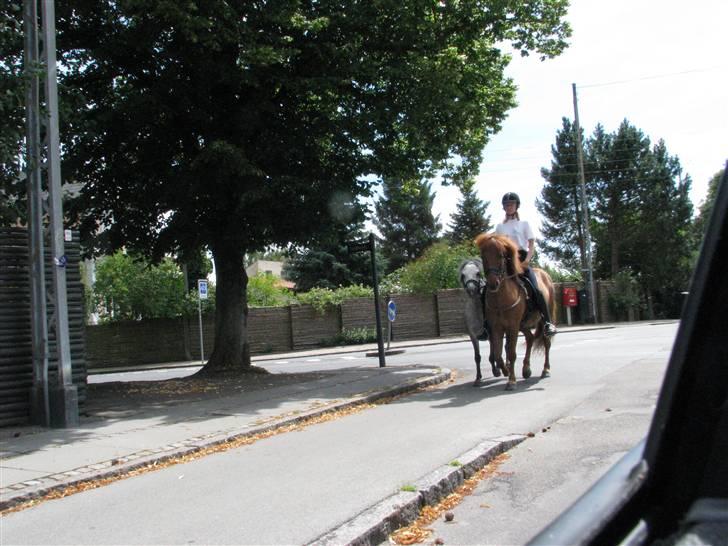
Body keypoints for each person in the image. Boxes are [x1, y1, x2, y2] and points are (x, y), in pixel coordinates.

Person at [478, 192, 557, 339]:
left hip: (521, 259)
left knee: (536, 288)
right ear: (504, 207)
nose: (509, 207)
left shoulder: (524, 224)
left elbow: (531, 243)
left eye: (511, 204)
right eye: (507, 205)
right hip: (505, 262)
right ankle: (486, 326)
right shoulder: (500, 227)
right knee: (485, 290)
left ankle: (547, 322)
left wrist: (527, 259)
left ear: (516, 206)